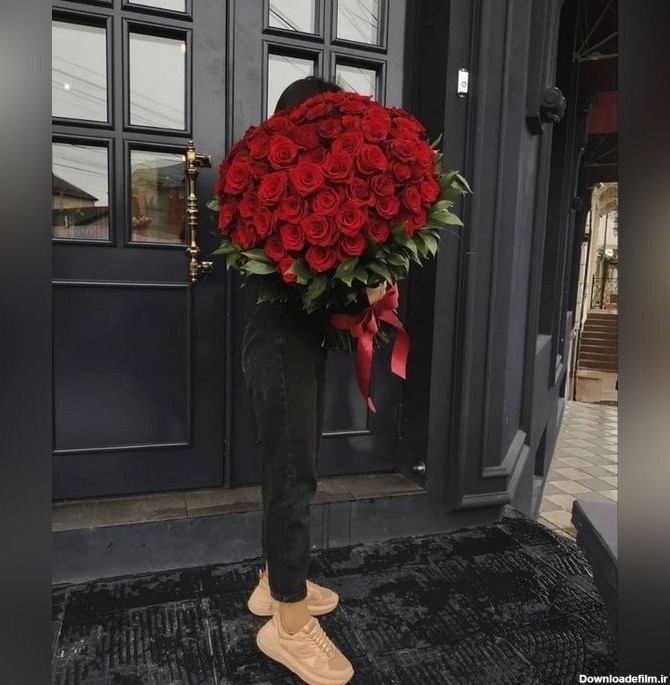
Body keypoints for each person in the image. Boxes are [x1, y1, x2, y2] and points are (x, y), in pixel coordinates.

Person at [242, 77, 385, 685]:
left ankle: (275, 583)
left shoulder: (311, 193)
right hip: (280, 343)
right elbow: (300, 280)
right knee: (292, 474)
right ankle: (289, 625)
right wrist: (362, 292)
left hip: (294, 342)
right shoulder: (277, 198)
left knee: (293, 467)